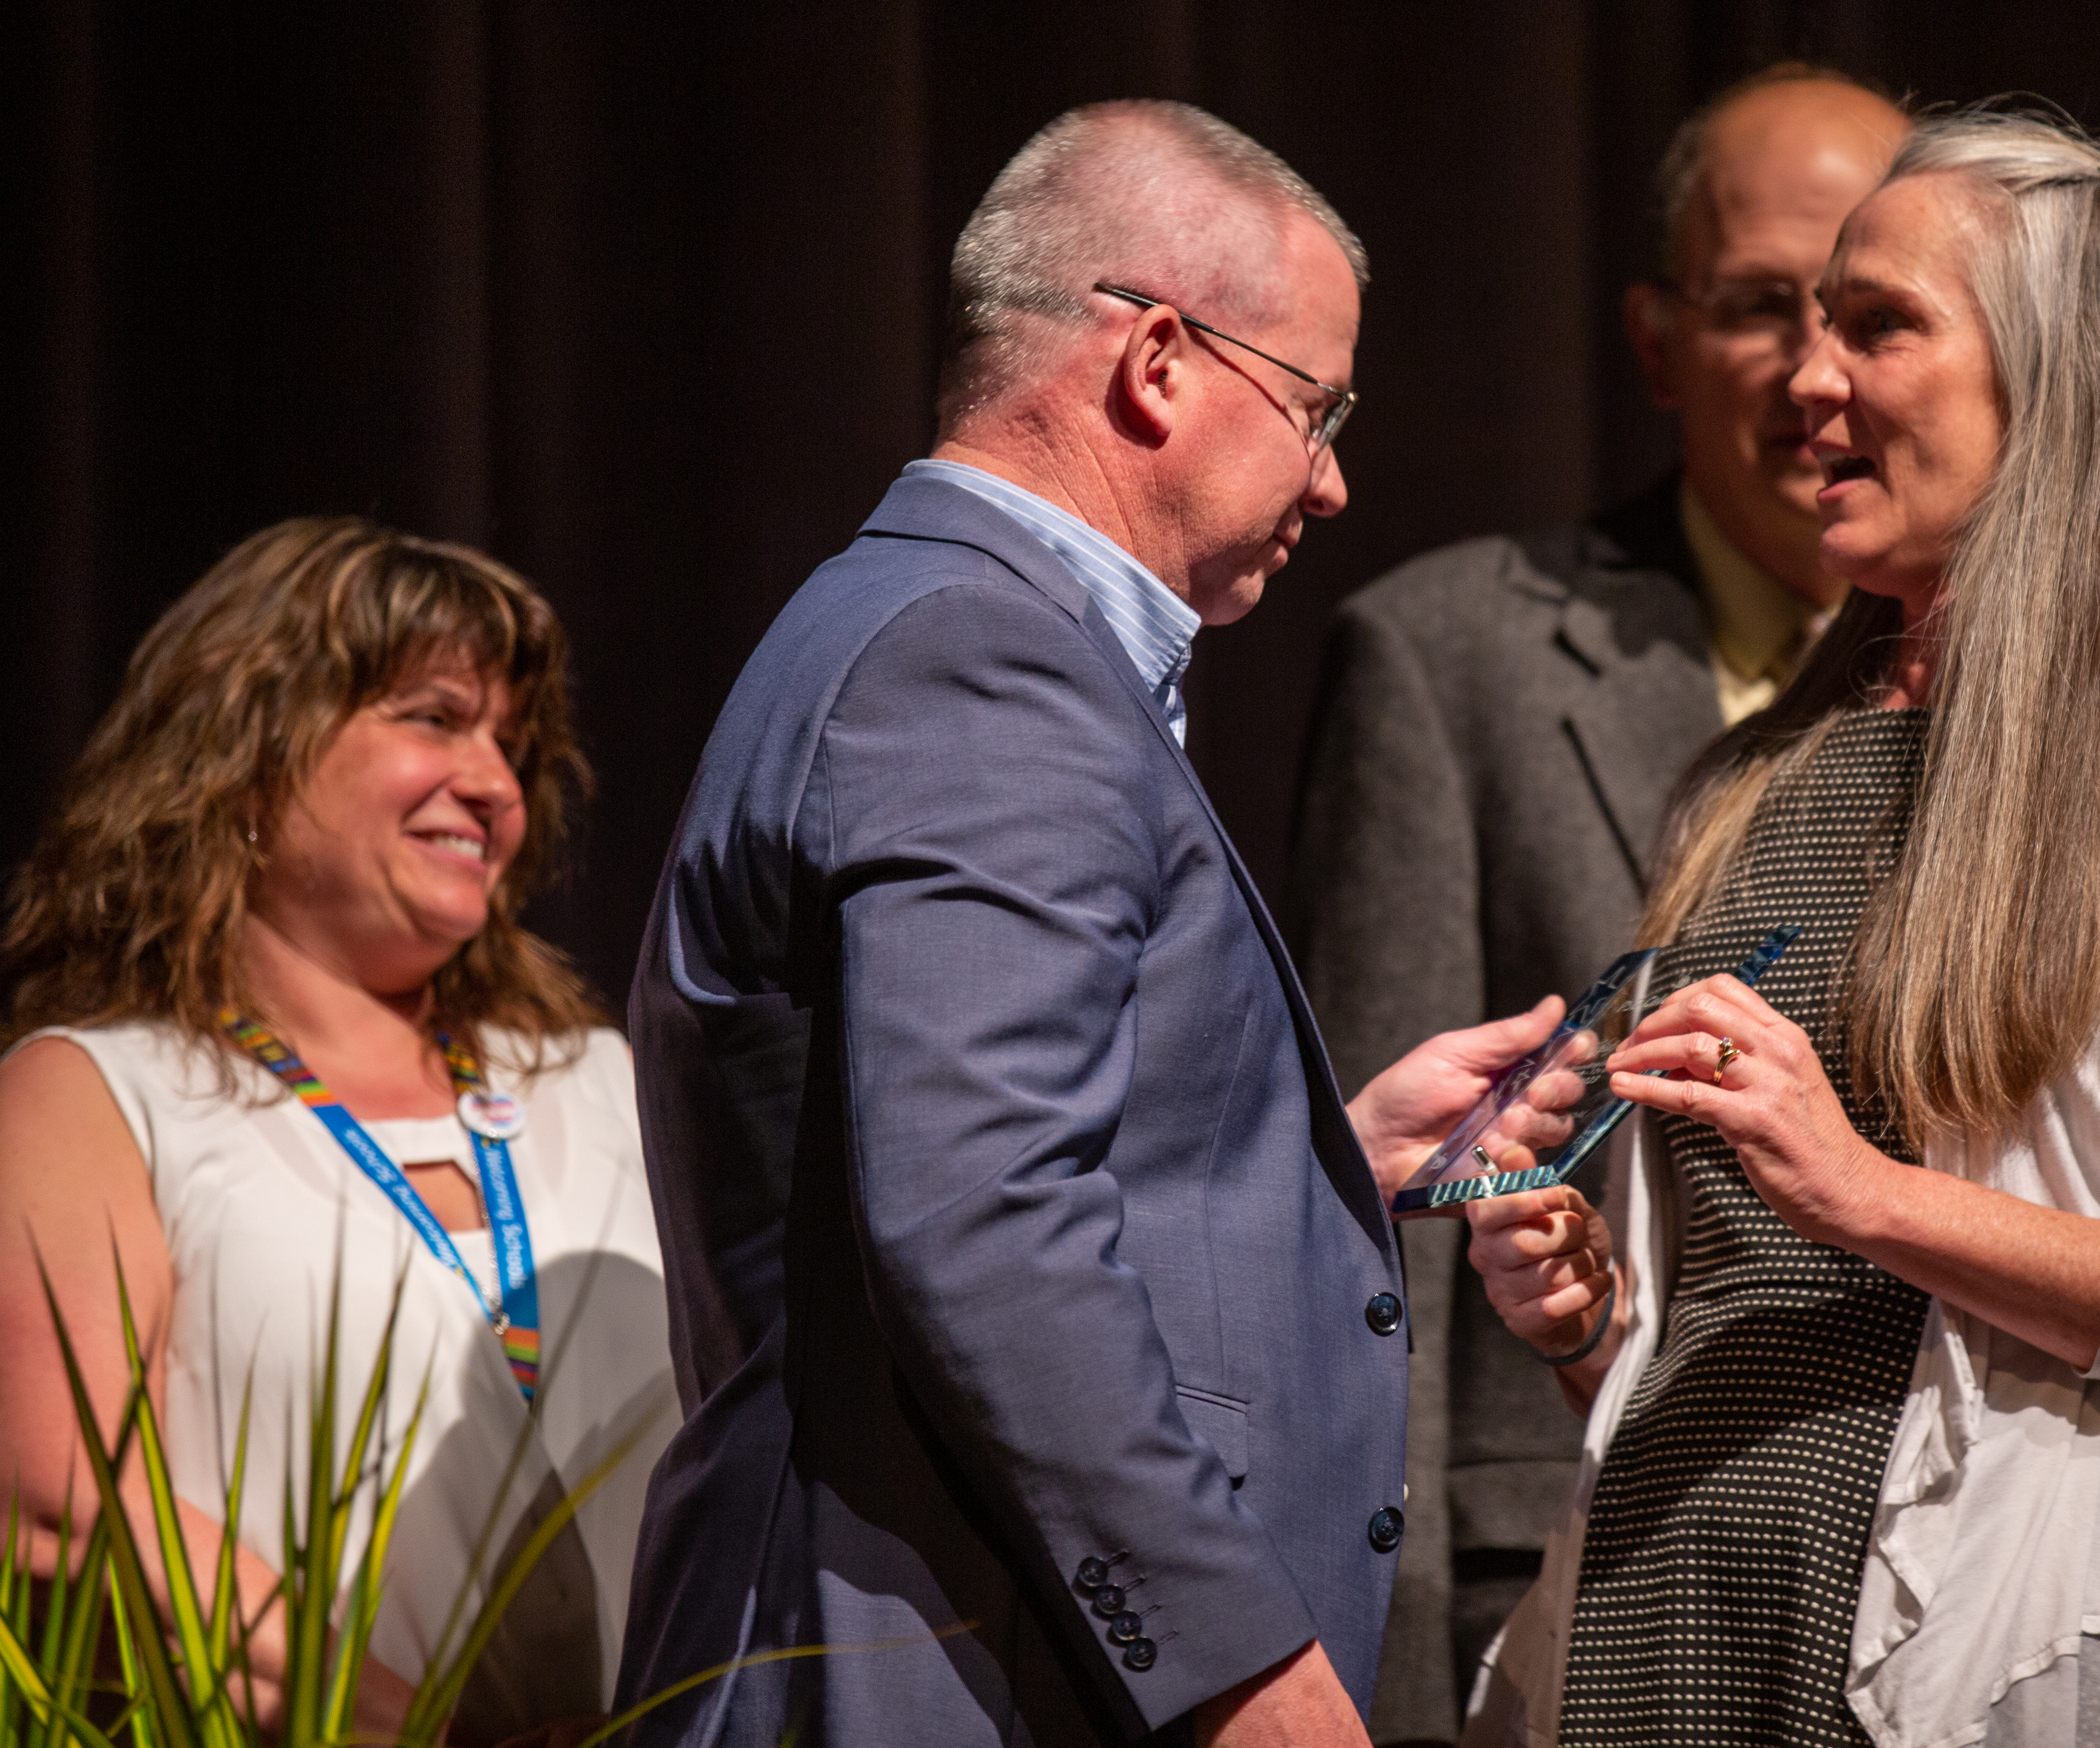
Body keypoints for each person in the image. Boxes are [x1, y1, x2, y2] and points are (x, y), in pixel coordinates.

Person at [1460, 110, 2100, 1746]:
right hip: (1668, 1633)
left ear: (2057, 384)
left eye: (1881, 325)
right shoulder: (1750, 783)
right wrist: (1586, 1321)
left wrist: (1866, 1193)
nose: (1809, 380)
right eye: (1810, 322)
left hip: (2001, 1658)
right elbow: (1744, 1309)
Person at [615, 100, 1571, 1748]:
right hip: (936, 1675)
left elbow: (944, 1157)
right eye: (1316, 405)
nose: (1336, 482)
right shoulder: (975, 662)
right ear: (1157, 364)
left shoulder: (942, 630)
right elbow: (980, 1223)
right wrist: (1241, 1669)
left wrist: (1319, 1159)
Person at [1284, 65, 1911, 1741]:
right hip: (1561, 1595)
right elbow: (1384, 1235)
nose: (1815, 371)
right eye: (1761, 307)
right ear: (1655, 344)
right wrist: (1383, 1675)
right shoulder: (1451, 662)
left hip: (1931, 1579)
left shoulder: (2025, 715)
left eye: (1865, 312)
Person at [0, 517, 674, 1746]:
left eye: (512, 745)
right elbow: (52, 1504)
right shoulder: (97, 1092)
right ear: (246, 754)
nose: (496, 782)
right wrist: (421, 1735)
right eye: (434, 718)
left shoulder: (605, 1079)